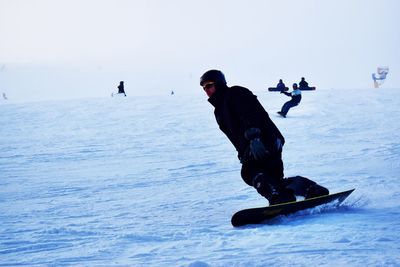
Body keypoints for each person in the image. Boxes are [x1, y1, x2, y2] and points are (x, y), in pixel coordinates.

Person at [200, 70, 328, 206]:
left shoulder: (235, 93)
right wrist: (242, 153)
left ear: (219, 83)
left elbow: (251, 113)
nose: (206, 90)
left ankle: (279, 196)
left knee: (249, 172)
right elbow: (234, 136)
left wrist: (254, 137)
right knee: (274, 179)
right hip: (256, 145)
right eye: (203, 88)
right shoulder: (219, 110)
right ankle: (310, 189)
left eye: (209, 85)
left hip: (265, 139)